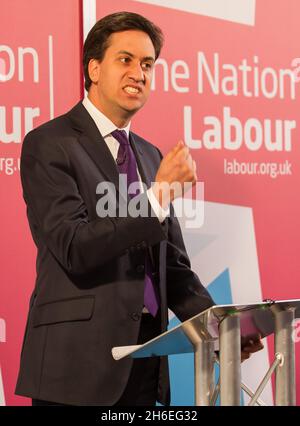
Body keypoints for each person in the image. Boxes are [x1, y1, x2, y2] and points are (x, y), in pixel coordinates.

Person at [15, 11, 263, 406]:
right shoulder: (49, 143)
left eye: (148, 64)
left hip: (146, 362)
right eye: (125, 59)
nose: (139, 72)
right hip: (76, 370)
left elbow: (171, 266)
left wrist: (221, 331)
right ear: (94, 68)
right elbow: (75, 247)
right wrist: (158, 195)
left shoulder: (149, 155)